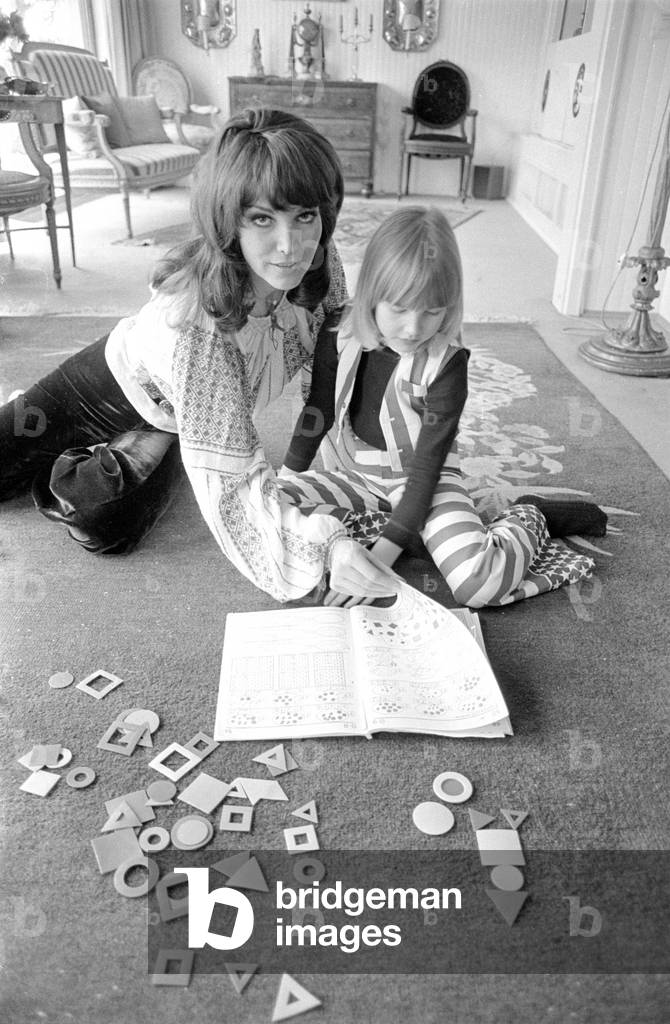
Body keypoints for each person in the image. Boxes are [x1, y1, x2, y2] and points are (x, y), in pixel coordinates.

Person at [0, 107, 397, 605]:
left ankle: (128, 455)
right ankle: (43, 428)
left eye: (305, 216)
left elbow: (331, 368)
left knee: (105, 526)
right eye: (262, 218)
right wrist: (325, 549)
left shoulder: (319, 260)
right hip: (104, 386)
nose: (290, 246)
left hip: (177, 421)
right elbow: (235, 489)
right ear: (229, 221)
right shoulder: (201, 324)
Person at [278, 206, 602, 608]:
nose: (414, 328)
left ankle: (530, 516)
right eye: (399, 308)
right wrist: (284, 480)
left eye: (432, 311)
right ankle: (406, 532)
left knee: (479, 586)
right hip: (356, 475)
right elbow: (318, 412)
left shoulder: (448, 364)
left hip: (425, 483)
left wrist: (381, 558)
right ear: (372, 294)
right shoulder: (337, 330)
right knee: (273, 510)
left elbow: (426, 472)